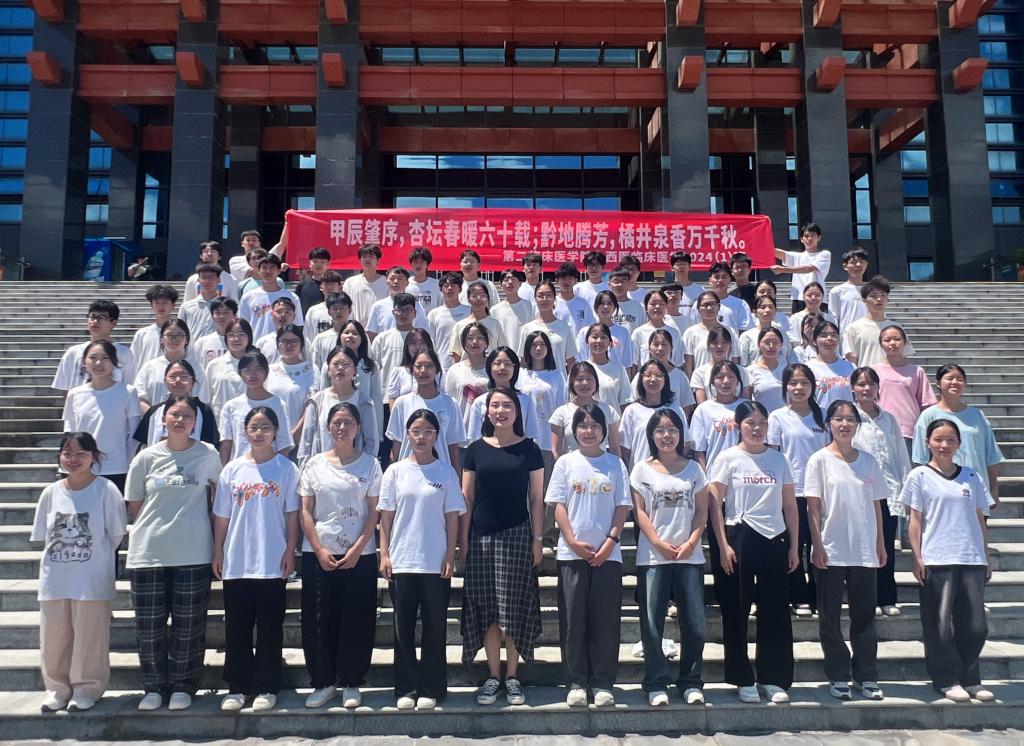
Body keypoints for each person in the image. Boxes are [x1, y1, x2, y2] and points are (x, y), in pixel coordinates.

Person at [125, 396, 221, 711]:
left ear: (196, 422)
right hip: (149, 551)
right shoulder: (146, 457)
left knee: (189, 624)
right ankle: (154, 686)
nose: (180, 420)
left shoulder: (208, 454)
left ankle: (183, 684)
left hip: (193, 550)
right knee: (149, 626)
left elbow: (219, 496)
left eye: (187, 416)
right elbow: (135, 504)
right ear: (163, 419)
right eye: (174, 415)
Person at [709, 401, 799, 704]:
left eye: (762, 423)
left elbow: (790, 505)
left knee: (775, 611)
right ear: (738, 426)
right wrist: (723, 545)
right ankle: (742, 678)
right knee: (736, 609)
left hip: (774, 538)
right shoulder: (728, 458)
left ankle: (773, 678)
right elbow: (715, 505)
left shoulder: (778, 459)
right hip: (740, 536)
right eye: (750, 423)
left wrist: (794, 546)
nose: (757, 428)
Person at [31, 433, 127, 712]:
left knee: (90, 637)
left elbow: (116, 534)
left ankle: (87, 689)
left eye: (81, 453)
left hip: (92, 577)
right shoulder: (51, 493)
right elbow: (43, 535)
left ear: (94, 457)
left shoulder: (106, 490)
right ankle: (56, 689)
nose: (73, 459)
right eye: (67, 453)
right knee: (54, 638)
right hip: (55, 578)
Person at [461, 388, 545, 707]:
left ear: (517, 411)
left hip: (517, 533)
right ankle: (493, 676)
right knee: (487, 609)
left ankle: (512, 676)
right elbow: (467, 497)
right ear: (486, 412)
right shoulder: (475, 450)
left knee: (513, 607)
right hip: (482, 536)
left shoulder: (530, 449)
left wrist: (538, 539)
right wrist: (463, 540)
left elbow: (536, 498)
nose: (500, 410)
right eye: (494, 405)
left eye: (507, 405)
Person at [900, 418, 994, 703]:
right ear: (928, 442)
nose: (944, 445)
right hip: (937, 558)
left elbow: (979, 517)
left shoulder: (972, 476)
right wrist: (917, 556)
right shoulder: (919, 476)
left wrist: (986, 555)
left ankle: (971, 677)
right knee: (940, 624)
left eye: (951, 440)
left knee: (976, 625)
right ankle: (946, 679)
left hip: (971, 558)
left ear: (959, 444)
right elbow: (915, 520)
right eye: (938, 439)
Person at [213, 407, 300, 712]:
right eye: (254, 427)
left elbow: (292, 515)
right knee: (237, 627)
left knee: (270, 628)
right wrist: (218, 551)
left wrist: (290, 550)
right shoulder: (232, 470)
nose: (259, 433)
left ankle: (267, 685)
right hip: (237, 559)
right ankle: (237, 686)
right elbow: (222, 516)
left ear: (276, 432)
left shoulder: (286, 469)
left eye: (265, 427)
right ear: (245, 431)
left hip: (271, 559)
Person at [378, 409, 465, 710]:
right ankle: (406, 687)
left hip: (435, 561)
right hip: (402, 559)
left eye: (428, 431)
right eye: (416, 431)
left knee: (434, 626)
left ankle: (431, 687)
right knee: (403, 627)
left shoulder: (445, 472)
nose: (421, 437)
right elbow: (386, 517)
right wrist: (384, 553)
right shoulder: (395, 472)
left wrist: (450, 554)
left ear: (436, 436)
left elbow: (452, 516)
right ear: (407, 434)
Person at [545, 404, 631, 707]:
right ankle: (576, 682)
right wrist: (571, 540)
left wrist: (611, 540)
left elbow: (622, 506)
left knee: (605, 620)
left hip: (608, 555)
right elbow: (558, 505)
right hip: (572, 555)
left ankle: (603, 682)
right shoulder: (565, 463)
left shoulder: (615, 464)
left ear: (604, 430)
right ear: (574, 430)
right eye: (583, 425)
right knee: (573, 620)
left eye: (595, 425)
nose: (589, 431)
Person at [298, 402, 382, 709]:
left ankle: (351, 681)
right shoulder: (314, 465)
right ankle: (323, 681)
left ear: (358, 428)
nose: (342, 427)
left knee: (357, 618)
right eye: (337, 422)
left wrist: (359, 547)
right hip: (319, 554)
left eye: (348, 422)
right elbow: (305, 511)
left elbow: (374, 511)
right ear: (328, 427)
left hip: (360, 554)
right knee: (318, 619)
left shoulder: (371, 465)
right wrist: (318, 548)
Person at [805, 400, 888, 701]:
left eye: (850, 419)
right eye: (838, 419)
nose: (844, 424)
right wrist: (817, 545)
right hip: (831, 548)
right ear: (828, 424)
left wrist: (880, 543)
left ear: (857, 425)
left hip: (864, 548)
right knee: (829, 617)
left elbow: (877, 506)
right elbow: (813, 508)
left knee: (864, 616)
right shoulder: (819, 460)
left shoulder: (869, 462)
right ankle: (838, 675)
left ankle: (866, 675)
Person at [631, 408, 709, 706]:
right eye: (660, 430)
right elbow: (640, 512)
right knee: (652, 623)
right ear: (651, 435)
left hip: (689, 556)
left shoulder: (694, 469)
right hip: (653, 557)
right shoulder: (642, 469)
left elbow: (701, 511)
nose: (667, 436)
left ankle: (690, 681)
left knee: (695, 623)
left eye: (672, 430)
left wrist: (691, 541)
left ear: (681, 434)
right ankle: (656, 682)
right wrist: (657, 542)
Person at [767, 363, 830, 616]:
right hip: (791, 493)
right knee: (794, 544)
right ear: (785, 387)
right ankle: (799, 596)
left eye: (804, 382)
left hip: (821, 492)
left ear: (813, 386)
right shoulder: (777, 417)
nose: (799, 388)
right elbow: (773, 456)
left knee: (818, 544)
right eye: (793, 383)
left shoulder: (824, 415)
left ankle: (819, 595)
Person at [850, 366, 912, 617]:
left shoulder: (889, 419)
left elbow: (900, 455)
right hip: (859, 492)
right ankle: (866, 599)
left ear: (878, 388)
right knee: (862, 547)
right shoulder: (848, 417)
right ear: (853, 388)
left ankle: (886, 597)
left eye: (871, 384)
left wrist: (905, 488)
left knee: (885, 545)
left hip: (887, 491)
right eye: (861, 384)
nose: (866, 388)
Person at [913, 364, 1004, 507]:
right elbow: (920, 458)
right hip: (941, 493)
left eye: (960, 379)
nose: (955, 382)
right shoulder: (928, 416)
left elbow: (991, 455)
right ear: (938, 383)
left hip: (976, 488)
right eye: (949, 378)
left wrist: (993, 489)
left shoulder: (977, 415)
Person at [62, 341, 143, 493]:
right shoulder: (75, 394)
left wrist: (126, 461)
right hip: (81, 468)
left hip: (116, 467)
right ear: (84, 361)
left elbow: (134, 434)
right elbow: (69, 432)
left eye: (105, 358)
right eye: (93, 358)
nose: (98, 363)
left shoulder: (127, 392)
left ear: (114, 361)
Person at [297, 346, 379, 464]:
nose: (340, 368)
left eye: (346, 364)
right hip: (320, 468)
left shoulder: (364, 403)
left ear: (355, 370)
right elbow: (306, 441)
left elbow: (371, 443)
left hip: (354, 469)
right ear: (328, 369)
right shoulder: (316, 401)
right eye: (336, 364)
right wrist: (305, 468)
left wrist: (362, 466)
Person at [387, 349, 467, 468]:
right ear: (411, 370)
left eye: (429, 366)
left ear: (437, 369)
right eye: (418, 366)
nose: (423, 371)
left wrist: (456, 475)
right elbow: (397, 445)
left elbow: (453, 447)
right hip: (407, 473)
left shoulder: (450, 404)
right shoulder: (401, 403)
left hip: (441, 473)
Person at [218, 352, 294, 464]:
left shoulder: (278, 404)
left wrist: (279, 469)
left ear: (266, 372)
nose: (252, 374)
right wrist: (225, 470)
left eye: (258, 369)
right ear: (240, 373)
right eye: (247, 370)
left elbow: (284, 444)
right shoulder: (231, 406)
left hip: (269, 467)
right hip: (241, 467)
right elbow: (226, 446)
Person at [465, 347, 545, 446]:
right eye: (497, 363)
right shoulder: (480, 401)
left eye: (507, 364)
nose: (502, 367)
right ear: (489, 367)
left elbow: (530, 436)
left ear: (515, 368)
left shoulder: (526, 400)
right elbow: (475, 439)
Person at [872, 324, 936, 449]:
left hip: (908, 430)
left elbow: (926, 404)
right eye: (887, 340)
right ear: (881, 344)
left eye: (897, 339)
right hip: (880, 428)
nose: (892, 343)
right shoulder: (873, 370)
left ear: (905, 342)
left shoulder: (917, 371)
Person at [133, 360, 220, 449]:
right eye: (173, 376)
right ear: (165, 381)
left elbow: (212, 445)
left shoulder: (204, 411)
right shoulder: (154, 412)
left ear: (193, 382)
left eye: (183, 377)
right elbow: (144, 444)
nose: (178, 380)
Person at [619, 359, 690, 470]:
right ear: (641, 379)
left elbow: (685, 442)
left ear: (665, 379)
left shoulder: (676, 410)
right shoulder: (631, 411)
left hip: (670, 473)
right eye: (648, 375)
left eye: (658, 375)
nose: (653, 379)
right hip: (640, 474)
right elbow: (624, 449)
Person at [52, 300, 135, 391]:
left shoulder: (124, 353)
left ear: (113, 323)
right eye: (93, 317)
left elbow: (129, 385)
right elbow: (65, 388)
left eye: (102, 317)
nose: (95, 321)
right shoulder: (73, 352)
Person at [519, 330, 567, 475]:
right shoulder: (520, 374)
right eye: (534, 345)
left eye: (542, 345)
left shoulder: (556, 375)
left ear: (548, 348)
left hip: (547, 439)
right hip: (524, 438)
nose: (538, 348)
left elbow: (561, 408)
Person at [549, 361, 621, 458]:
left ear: (596, 382)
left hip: (601, 465)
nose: (585, 383)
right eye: (580, 379)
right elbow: (556, 451)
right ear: (572, 383)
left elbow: (614, 447)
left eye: (589, 379)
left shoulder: (608, 411)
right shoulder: (561, 413)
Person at [133, 319, 208, 411]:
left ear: (187, 340)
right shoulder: (149, 367)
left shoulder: (196, 367)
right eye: (169, 335)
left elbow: (203, 399)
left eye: (179, 335)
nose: (174, 339)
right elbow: (139, 397)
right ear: (161, 339)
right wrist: (154, 416)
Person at [843, 275, 915, 367]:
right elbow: (851, 359)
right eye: (873, 296)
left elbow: (903, 356)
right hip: (866, 375)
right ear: (864, 300)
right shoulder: (853, 328)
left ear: (888, 299)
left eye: (883, 295)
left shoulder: (896, 328)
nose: (879, 299)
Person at [238, 254, 304, 341]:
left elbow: (298, 325)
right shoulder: (248, 297)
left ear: (279, 271)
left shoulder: (292, 297)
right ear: (259, 271)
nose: (268, 271)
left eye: (272, 267)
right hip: (256, 345)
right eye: (264, 267)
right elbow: (242, 325)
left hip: (283, 345)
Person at [633, 328, 696, 418]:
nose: (660, 348)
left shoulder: (680, 376)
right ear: (649, 349)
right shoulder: (641, 376)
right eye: (656, 344)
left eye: (664, 344)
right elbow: (633, 401)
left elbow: (686, 406)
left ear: (671, 348)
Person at [772, 222, 832, 313]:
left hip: (817, 298)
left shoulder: (824, 254)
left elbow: (809, 268)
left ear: (819, 237)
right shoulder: (797, 256)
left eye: (813, 235)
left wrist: (782, 269)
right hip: (798, 298)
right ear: (801, 239)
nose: (809, 238)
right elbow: (776, 252)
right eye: (806, 236)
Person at [517, 281, 576, 373]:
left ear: (554, 298)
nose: (544, 299)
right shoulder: (527, 328)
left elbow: (570, 360)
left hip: (559, 380)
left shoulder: (565, 327)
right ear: (535, 299)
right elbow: (524, 361)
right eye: (540, 295)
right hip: (534, 380)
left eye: (548, 295)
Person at [445, 322, 491, 434]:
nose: (475, 342)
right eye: (470, 338)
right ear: (464, 343)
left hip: (489, 431)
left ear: (486, 343)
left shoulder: (494, 368)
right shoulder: (455, 370)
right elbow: (449, 404)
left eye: (479, 338)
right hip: (462, 431)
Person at [575, 290, 635, 374]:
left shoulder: (623, 332)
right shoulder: (585, 332)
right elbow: (580, 359)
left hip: (615, 378)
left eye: (609, 303)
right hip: (591, 376)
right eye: (602, 303)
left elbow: (627, 365)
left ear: (615, 307)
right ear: (596, 307)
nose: (605, 306)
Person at [206, 318, 255, 420]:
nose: (236, 339)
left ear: (249, 337)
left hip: (250, 421)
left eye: (241, 334)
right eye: (231, 335)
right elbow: (206, 398)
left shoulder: (256, 365)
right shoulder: (214, 365)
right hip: (219, 422)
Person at [450, 280, 508, 363]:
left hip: (490, 369)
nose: (478, 299)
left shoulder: (495, 324)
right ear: (468, 299)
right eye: (474, 296)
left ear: (488, 299)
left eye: (482, 295)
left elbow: (501, 351)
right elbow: (456, 355)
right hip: (466, 369)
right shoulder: (459, 325)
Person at [691, 326, 751, 405]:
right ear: (708, 345)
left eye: (724, 342)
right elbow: (701, 404)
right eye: (715, 343)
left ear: (730, 345)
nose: (719, 346)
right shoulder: (699, 373)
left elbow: (746, 400)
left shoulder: (741, 371)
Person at [365, 266, 429, 340]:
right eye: (392, 279)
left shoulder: (416, 305)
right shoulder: (378, 306)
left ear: (407, 283)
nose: (396, 281)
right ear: (386, 282)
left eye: (400, 279)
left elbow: (422, 331)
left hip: (409, 345)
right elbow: (371, 333)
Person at [682, 291, 737, 374]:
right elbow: (688, 364)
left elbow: (735, 359)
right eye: (705, 305)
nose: (709, 308)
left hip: (725, 378)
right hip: (701, 379)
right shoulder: (690, 333)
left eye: (712, 304)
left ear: (719, 307)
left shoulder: (730, 332)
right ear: (698, 309)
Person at [582, 322, 632, 412]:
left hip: (613, 420)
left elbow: (625, 402)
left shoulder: (619, 369)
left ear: (610, 342)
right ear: (587, 341)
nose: (599, 341)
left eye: (603, 337)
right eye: (594, 337)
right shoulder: (580, 370)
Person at [385, 328, 441, 406]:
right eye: (413, 343)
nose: (417, 347)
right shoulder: (398, 372)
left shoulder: (437, 371)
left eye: (422, 342)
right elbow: (392, 399)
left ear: (428, 346)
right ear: (407, 347)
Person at [427, 272, 471, 371]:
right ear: (441, 289)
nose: (449, 288)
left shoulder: (470, 311)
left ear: (460, 289)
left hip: (467, 364)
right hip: (442, 365)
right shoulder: (434, 314)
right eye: (446, 286)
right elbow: (430, 341)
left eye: (453, 285)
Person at [807, 320, 855, 408]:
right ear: (814, 341)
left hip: (847, 415)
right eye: (824, 335)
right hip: (820, 415)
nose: (829, 338)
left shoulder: (850, 367)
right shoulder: (808, 368)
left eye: (834, 335)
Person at [695, 262, 754, 332]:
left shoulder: (740, 304)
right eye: (716, 277)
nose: (720, 280)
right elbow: (694, 327)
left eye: (724, 277)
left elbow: (746, 330)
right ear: (710, 281)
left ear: (730, 280)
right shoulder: (700, 304)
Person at [131, 284, 179, 368]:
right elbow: (133, 362)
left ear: (173, 305)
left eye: (165, 302)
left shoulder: (181, 334)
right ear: (151, 305)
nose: (161, 306)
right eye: (157, 302)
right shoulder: (142, 334)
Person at [308, 291, 354, 377]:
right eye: (334, 308)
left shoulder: (358, 336)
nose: (338, 311)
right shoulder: (320, 339)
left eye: (342, 308)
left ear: (349, 310)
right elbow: (315, 366)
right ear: (329, 312)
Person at [634, 290, 683, 369]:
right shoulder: (638, 332)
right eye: (653, 304)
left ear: (666, 307)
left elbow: (678, 362)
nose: (657, 307)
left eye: (661, 304)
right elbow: (634, 363)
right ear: (646, 307)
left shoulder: (674, 332)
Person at [178, 263, 227, 341]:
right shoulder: (186, 307)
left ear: (218, 280)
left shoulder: (226, 307)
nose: (207, 281)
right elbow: (180, 331)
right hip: (193, 348)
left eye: (211, 277)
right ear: (198, 280)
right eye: (203, 277)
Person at [341, 244, 388, 325]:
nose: (367, 259)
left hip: (380, 328)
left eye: (371, 256)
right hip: (355, 328)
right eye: (364, 256)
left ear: (378, 260)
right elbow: (345, 306)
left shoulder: (386, 283)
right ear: (360, 260)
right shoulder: (350, 282)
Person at [739, 296, 792, 367]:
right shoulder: (747, 336)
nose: (767, 310)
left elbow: (788, 358)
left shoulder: (782, 334)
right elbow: (743, 363)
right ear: (754, 312)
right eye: (763, 307)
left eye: (771, 307)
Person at [745, 327, 788, 414]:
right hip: (762, 419)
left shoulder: (788, 371)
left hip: (785, 419)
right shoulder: (750, 371)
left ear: (781, 345)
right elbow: (747, 402)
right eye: (767, 342)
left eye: (775, 342)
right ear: (759, 345)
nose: (771, 346)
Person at [828, 248, 869, 333]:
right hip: (846, 337)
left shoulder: (873, 290)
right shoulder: (837, 291)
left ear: (866, 265)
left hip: (869, 336)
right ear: (845, 266)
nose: (858, 265)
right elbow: (833, 318)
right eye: (853, 262)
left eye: (862, 262)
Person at [490, 269, 534, 347]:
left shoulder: (528, 306)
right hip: (502, 352)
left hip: (523, 352)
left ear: (520, 284)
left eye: (513, 279)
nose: (510, 282)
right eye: (506, 280)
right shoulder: (495, 310)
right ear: (501, 285)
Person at [192, 297, 238, 370]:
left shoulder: (241, 341)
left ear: (234, 316)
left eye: (226, 312)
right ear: (212, 316)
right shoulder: (201, 343)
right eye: (218, 313)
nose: (222, 316)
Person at [301, 270, 343, 346]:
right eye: (326, 283)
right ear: (321, 287)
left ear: (340, 287)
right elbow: (307, 337)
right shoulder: (313, 311)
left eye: (332, 284)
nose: (329, 287)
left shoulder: (346, 310)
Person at [553, 261, 595, 335]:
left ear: (575, 280)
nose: (567, 281)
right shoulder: (552, 303)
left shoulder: (583, 304)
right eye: (563, 278)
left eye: (570, 278)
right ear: (557, 280)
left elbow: (590, 327)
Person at [254, 296, 298, 362]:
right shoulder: (262, 342)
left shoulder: (301, 341)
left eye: (287, 312)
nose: (283, 315)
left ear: (294, 316)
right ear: (272, 315)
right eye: (279, 311)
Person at [294, 247, 332, 314]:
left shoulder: (333, 284)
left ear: (328, 264)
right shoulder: (302, 285)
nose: (319, 265)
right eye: (315, 261)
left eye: (322, 262)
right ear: (310, 264)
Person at [607, 268, 645, 332]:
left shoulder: (639, 307)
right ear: (609, 284)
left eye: (623, 281)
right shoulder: (604, 307)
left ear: (629, 283)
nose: (620, 284)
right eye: (616, 281)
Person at [407, 247, 442, 313]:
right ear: (411, 264)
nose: (418, 265)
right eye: (415, 262)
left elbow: (441, 306)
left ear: (427, 264)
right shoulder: (405, 284)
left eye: (422, 262)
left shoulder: (436, 284)